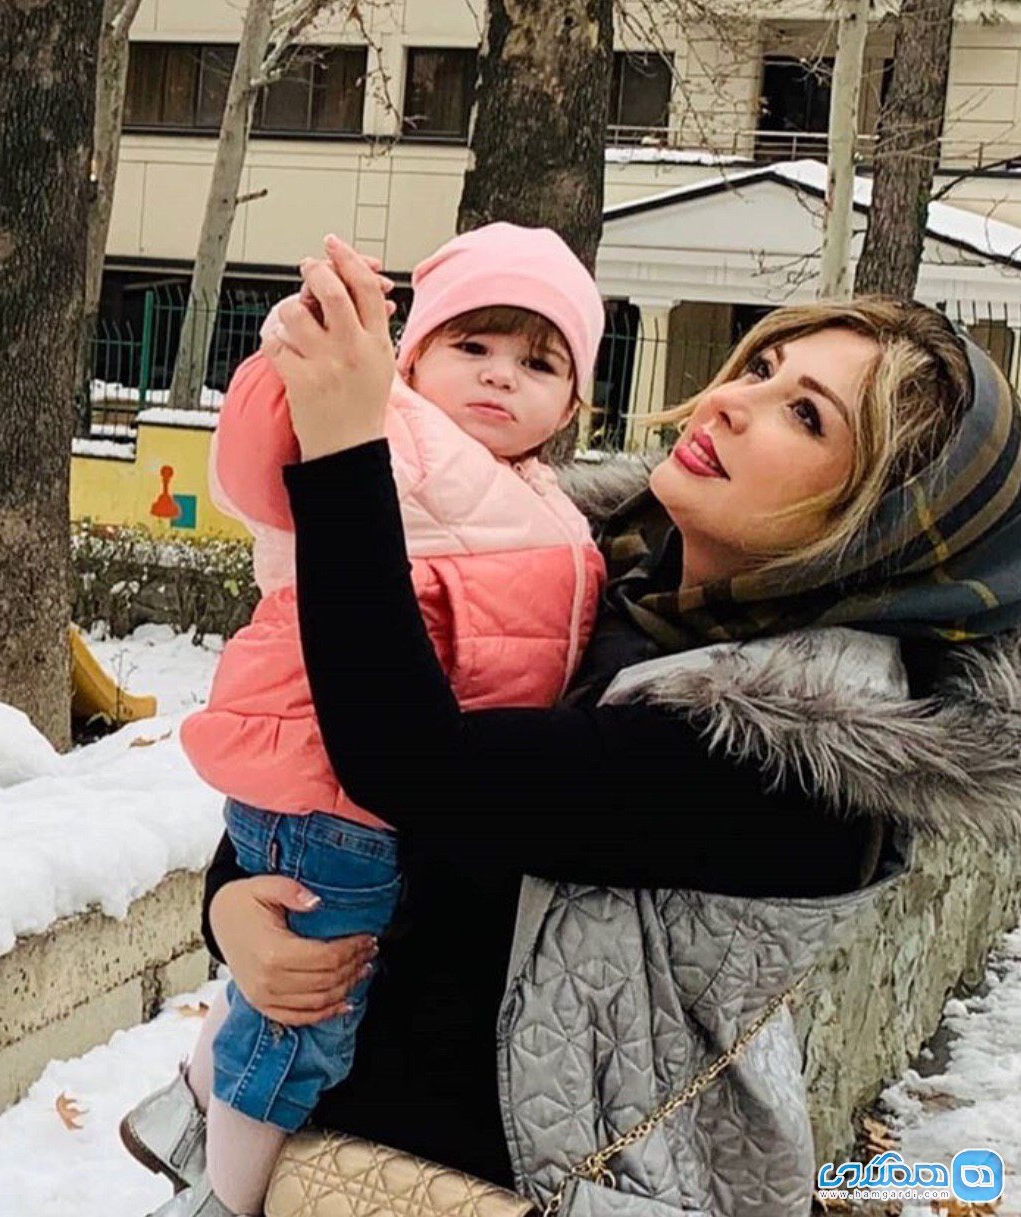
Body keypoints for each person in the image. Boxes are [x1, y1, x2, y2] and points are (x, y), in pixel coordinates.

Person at [125, 237, 1021, 1217]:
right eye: (761, 366)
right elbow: (328, 770)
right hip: (342, 1153)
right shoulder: (583, 580)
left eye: (804, 414)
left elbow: (418, 770)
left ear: (881, 520)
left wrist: (345, 453)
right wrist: (234, 904)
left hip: (530, 1182)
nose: (731, 400)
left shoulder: (800, 755)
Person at [122, 224, 609, 1217]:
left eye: (538, 362)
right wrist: (300, 350)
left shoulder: (541, 493)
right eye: (471, 345)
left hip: (376, 794)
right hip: (331, 780)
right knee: (302, 1017)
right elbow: (256, 462)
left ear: (572, 405)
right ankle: (224, 1195)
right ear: (410, 357)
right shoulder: (391, 433)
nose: (499, 375)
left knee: (294, 988)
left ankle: (188, 1106)